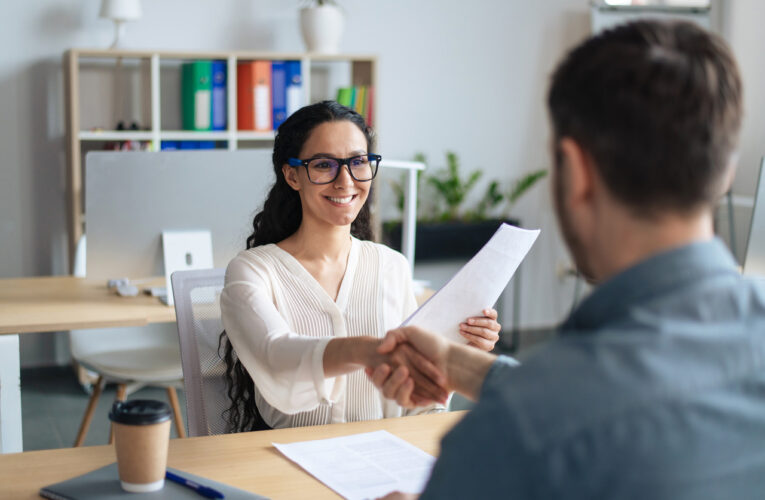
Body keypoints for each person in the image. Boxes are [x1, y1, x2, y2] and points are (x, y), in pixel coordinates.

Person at [369, 20, 765, 499]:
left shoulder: (517, 432)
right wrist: (458, 364)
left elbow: (573, 404)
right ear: (726, 170)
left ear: (575, 171)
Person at [219, 101, 501, 432]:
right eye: (324, 164)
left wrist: (456, 353)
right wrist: (368, 350)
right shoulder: (253, 271)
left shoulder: (390, 266)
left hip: (383, 456)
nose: (346, 181)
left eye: (358, 162)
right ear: (292, 175)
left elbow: (416, 408)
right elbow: (276, 356)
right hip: (291, 459)